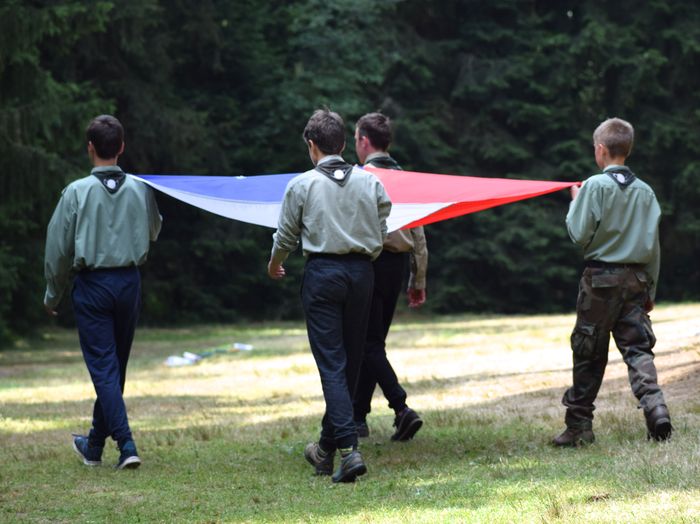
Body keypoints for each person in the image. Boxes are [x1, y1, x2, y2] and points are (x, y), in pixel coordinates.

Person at [267, 109, 391, 482]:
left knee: (333, 365)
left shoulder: (301, 185)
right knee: (349, 363)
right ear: (343, 143)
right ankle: (324, 450)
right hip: (362, 274)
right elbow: (382, 226)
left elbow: (286, 235)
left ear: (312, 146)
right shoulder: (370, 182)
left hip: (323, 275)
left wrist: (274, 265)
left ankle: (349, 451)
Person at [44, 114, 162, 469]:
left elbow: (58, 249)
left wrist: (53, 294)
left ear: (90, 148)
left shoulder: (76, 192)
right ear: (121, 147)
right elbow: (154, 230)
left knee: (105, 369)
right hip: (129, 283)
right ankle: (94, 445)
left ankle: (126, 444)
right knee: (114, 368)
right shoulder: (141, 188)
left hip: (93, 286)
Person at [553, 117, 672, 447]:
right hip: (637, 280)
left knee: (588, 350)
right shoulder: (646, 191)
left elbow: (579, 234)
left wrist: (575, 201)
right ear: (627, 150)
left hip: (600, 282)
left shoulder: (594, 186)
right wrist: (650, 290)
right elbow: (653, 247)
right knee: (638, 348)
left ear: (600, 149)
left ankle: (579, 427)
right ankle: (656, 408)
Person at [352, 112, 428, 441]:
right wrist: (418, 278)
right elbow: (419, 233)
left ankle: (401, 408)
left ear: (364, 141)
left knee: (367, 344)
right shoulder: (404, 177)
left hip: (369, 264)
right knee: (374, 344)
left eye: (355, 139)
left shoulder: (359, 178)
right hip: (396, 267)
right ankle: (358, 416)